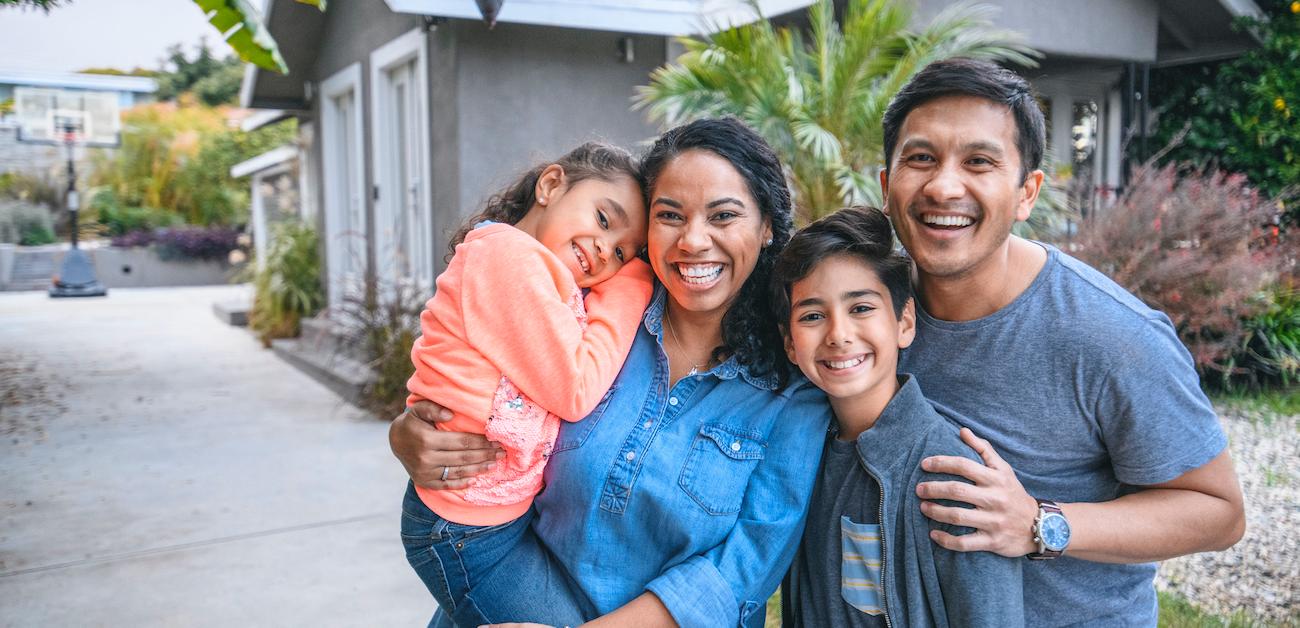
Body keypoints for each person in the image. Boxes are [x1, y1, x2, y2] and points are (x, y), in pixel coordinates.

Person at [390, 117, 831, 627]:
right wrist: (412, 432)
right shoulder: (584, 309)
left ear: (767, 227)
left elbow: (742, 567)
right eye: (670, 214)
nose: (693, 240)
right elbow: (469, 375)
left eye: (723, 215)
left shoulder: (790, 387)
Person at [878, 58, 1245, 625]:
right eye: (921, 158)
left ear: (1027, 193)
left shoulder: (1110, 335)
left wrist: (1036, 523)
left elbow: (1218, 512)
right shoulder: (863, 317)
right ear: (886, 185)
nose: (944, 186)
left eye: (979, 161)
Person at [399, 142, 655, 628]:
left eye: (623, 252)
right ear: (551, 185)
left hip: (495, 517)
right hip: (463, 528)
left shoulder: (545, 276)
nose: (606, 250)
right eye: (604, 219)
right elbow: (576, 388)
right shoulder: (507, 259)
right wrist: (633, 280)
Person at [773, 207, 1023, 627]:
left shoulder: (951, 474)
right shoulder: (800, 454)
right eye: (812, 316)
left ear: (904, 321)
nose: (838, 333)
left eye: (861, 308)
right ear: (790, 346)